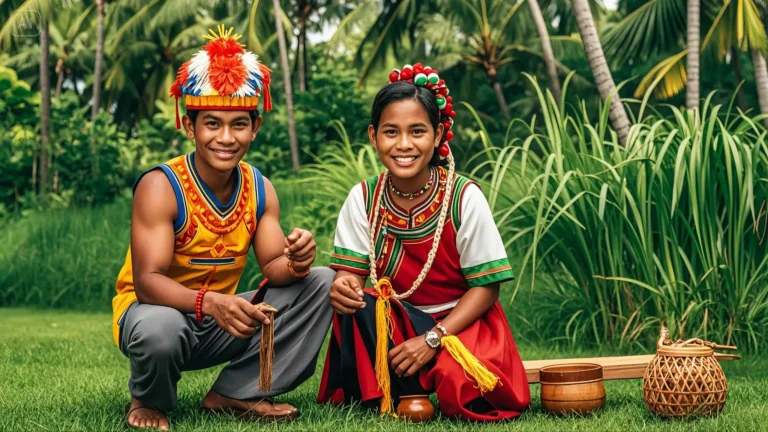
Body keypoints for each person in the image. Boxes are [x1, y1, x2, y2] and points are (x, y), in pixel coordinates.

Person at [111, 25, 334, 429]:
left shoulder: (259, 188)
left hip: (217, 321)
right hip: (155, 316)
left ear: (256, 127)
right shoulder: (160, 186)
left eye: (239, 125)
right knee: (160, 327)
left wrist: (299, 259)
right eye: (212, 123)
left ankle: (235, 392)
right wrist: (212, 302)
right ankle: (148, 399)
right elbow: (147, 283)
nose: (226, 138)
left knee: (321, 282)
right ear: (190, 126)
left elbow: (274, 270)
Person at [317, 63, 531, 421]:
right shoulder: (363, 197)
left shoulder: (464, 196)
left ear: (438, 135)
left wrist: (432, 339)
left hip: (462, 322)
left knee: (457, 379)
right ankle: (401, 385)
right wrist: (344, 288)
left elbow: (487, 289)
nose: (403, 145)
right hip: (397, 322)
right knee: (363, 305)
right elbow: (351, 277)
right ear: (373, 137)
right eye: (391, 132)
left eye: (417, 131)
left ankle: (417, 383)